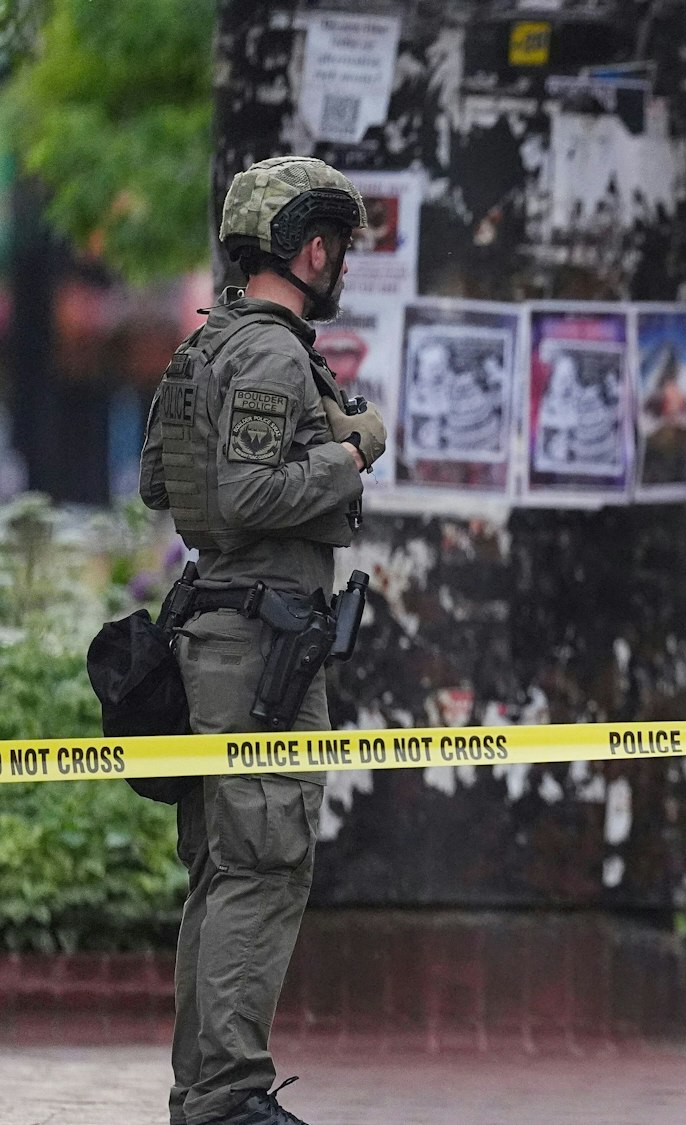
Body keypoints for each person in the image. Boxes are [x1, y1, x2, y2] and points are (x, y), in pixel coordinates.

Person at [138, 155, 386, 1125]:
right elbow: (247, 496)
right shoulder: (275, 356)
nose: (342, 266)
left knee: (224, 872)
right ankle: (230, 1096)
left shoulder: (206, 347)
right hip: (259, 649)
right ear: (309, 249)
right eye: (339, 248)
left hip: (218, 634)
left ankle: (205, 1094)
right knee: (264, 867)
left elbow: (162, 485)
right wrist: (349, 452)